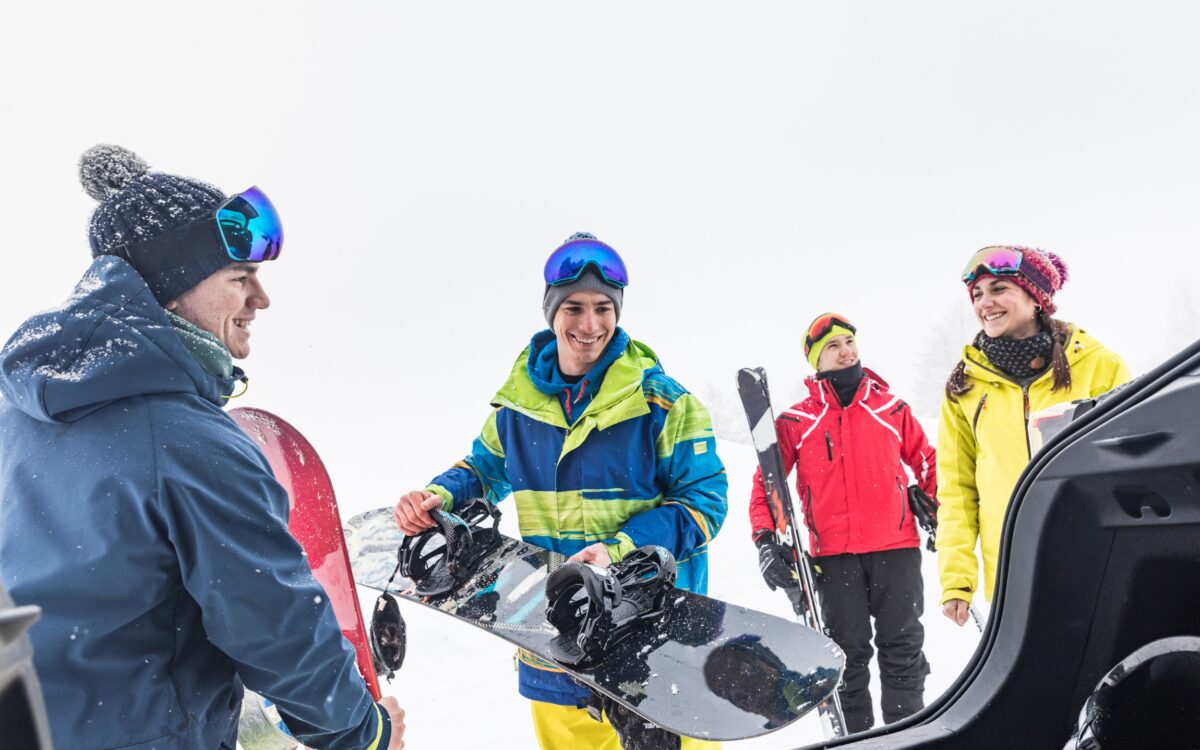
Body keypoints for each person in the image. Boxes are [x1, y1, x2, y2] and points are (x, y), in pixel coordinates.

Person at [0, 145, 405, 750]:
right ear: (173, 286)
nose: (260, 299)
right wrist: (361, 731)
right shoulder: (185, 439)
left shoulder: (20, 410)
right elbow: (276, 627)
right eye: (240, 278)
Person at [393, 233, 728, 749]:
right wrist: (441, 494)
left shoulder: (662, 402)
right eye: (574, 307)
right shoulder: (518, 408)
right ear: (552, 311)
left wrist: (620, 551)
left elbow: (704, 503)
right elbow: (483, 469)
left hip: (655, 641)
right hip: (556, 637)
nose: (589, 325)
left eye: (602, 308)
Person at [748, 313, 936, 734]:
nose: (845, 350)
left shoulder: (892, 408)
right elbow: (768, 485)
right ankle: (857, 740)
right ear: (815, 359)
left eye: (849, 341)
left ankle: (908, 736)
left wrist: (935, 507)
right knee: (845, 656)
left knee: (902, 647)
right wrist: (766, 538)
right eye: (833, 346)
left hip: (896, 549)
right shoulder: (797, 422)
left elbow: (928, 460)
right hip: (833, 558)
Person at [938, 246, 1131, 626]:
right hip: (1013, 573)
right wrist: (956, 579)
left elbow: (1131, 466)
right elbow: (957, 490)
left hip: (1094, 564)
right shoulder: (965, 385)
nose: (985, 303)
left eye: (998, 289)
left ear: (1034, 296)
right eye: (977, 294)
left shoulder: (1099, 367)